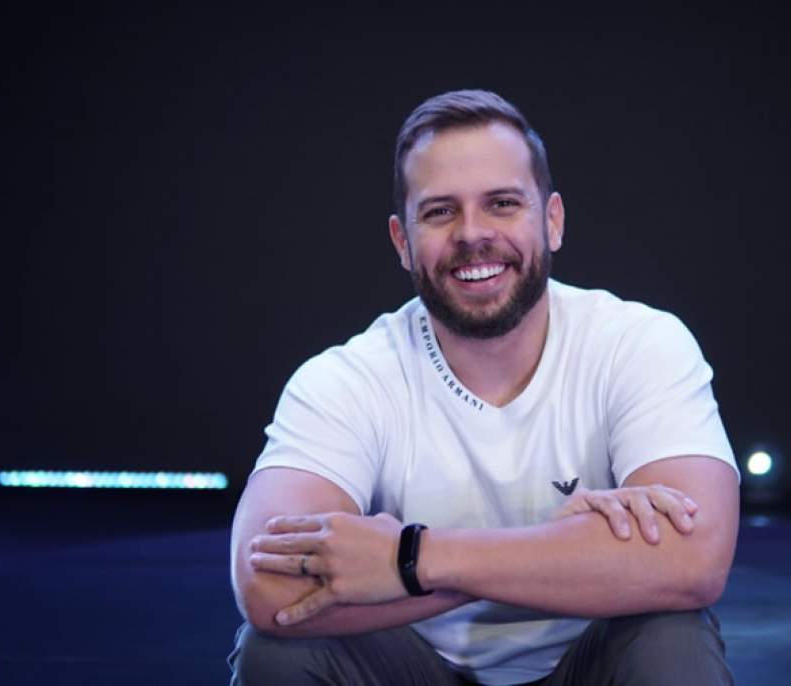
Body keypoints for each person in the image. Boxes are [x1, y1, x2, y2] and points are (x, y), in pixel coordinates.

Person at [228, 89, 740, 685]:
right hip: (413, 670)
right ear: (402, 242)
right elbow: (268, 587)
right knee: (279, 651)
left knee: (672, 638)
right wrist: (564, 548)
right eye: (440, 212)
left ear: (552, 221)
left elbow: (695, 560)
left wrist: (410, 559)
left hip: (587, 665)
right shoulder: (345, 379)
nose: (472, 234)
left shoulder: (639, 343)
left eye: (502, 204)